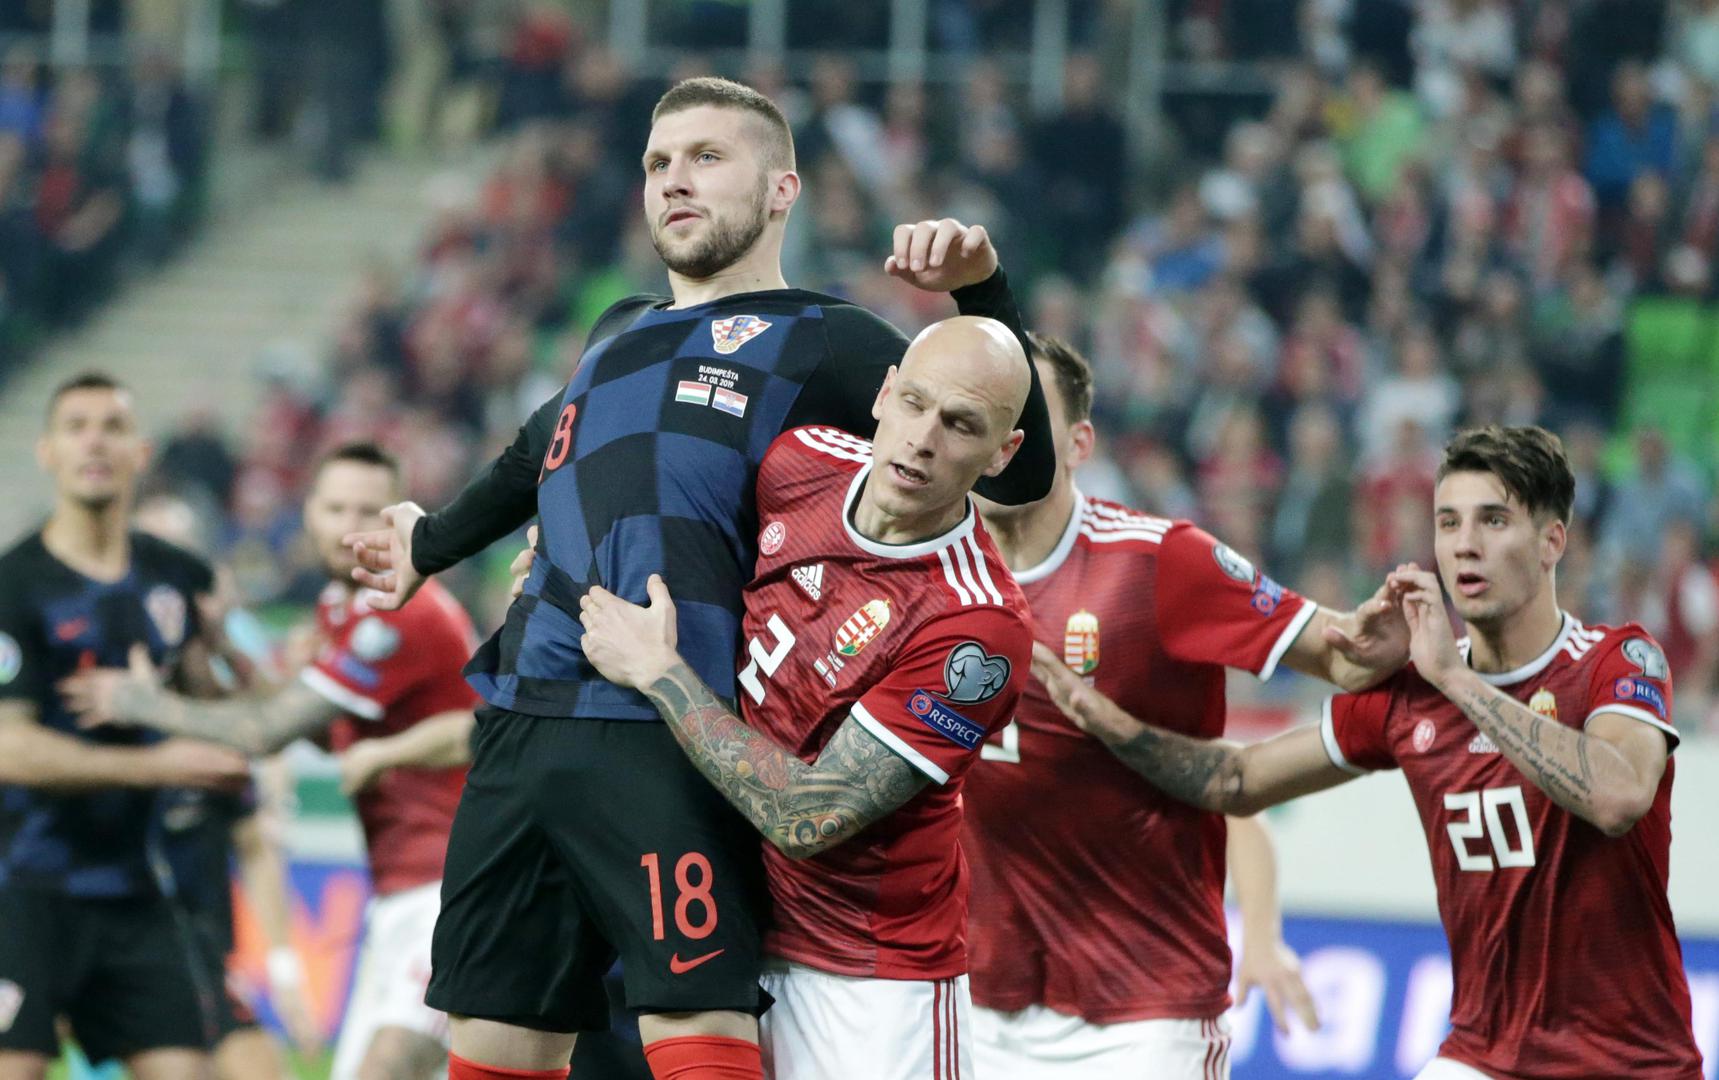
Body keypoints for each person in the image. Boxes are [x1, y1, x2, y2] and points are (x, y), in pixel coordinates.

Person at [341, 76, 1053, 1080]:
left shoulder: (828, 339)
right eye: (657, 163)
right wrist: (430, 546)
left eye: (706, 158)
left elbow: (1015, 467)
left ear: (782, 189)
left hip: (667, 725)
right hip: (521, 719)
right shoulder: (616, 328)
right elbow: (538, 449)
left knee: (694, 1024)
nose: (673, 180)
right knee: (495, 1037)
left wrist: (981, 293)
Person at [1034, 425, 1705, 1080]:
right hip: (1484, 1056)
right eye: (1448, 523)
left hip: (1632, 1062)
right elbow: (1237, 780)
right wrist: (1112, 726)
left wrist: (1458, 682)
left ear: (1552, 541)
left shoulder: (1616, 660)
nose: (1465, 545)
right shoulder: (1413, 695)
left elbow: (1617, 797)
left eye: (1493, 521)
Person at [574, 316, 1034, 1079]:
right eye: (914, 403)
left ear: (1001, 453)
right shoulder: (800, 463)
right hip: (727, 939)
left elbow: (809, 817)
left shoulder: (975, 627)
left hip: (867, 983)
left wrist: (659, 673)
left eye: (960, 425)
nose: (922, 439)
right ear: (883, 394)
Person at [963, 333, 1415, 1079]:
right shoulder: (930, 574)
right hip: (976, 1004)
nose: (1004, 438)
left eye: (1029, 418)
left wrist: (1261, 934)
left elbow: (1339, 660)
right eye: (989, 412)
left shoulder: (1157, 562)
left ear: (1079, 444)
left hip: (1143, 1012)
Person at [61, 442, 480, 1080]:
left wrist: (139, 702)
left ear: (402, 519)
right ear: (307, 512)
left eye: (368, 511)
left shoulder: (401, 613)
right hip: (401, 891)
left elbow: (264, 732)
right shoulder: (341, 608)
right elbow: (310, 730)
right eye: (334, 508)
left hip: (457, 886)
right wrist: (228, 653)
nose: (349, 528)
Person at [0, 372, 251, 1080]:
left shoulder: (178, 576)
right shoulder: (14, 585)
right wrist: (157, 764)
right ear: (47, 451)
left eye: (112, 427)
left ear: (141, 453)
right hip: (22, 888)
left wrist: (232, 671)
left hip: (137, 887)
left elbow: (221, 713)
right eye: (76, 427)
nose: (95, 442)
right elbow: (8, 747)